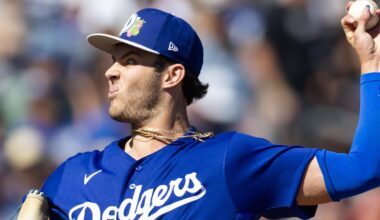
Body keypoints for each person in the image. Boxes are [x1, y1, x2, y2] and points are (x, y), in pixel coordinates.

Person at [17, 3, 380, 219]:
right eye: (114, 61)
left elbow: (364, 168)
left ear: (172, 75)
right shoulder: (71, 177)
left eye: (130, 60)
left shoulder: (229, 160)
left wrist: (372, 60)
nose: (111, 71)